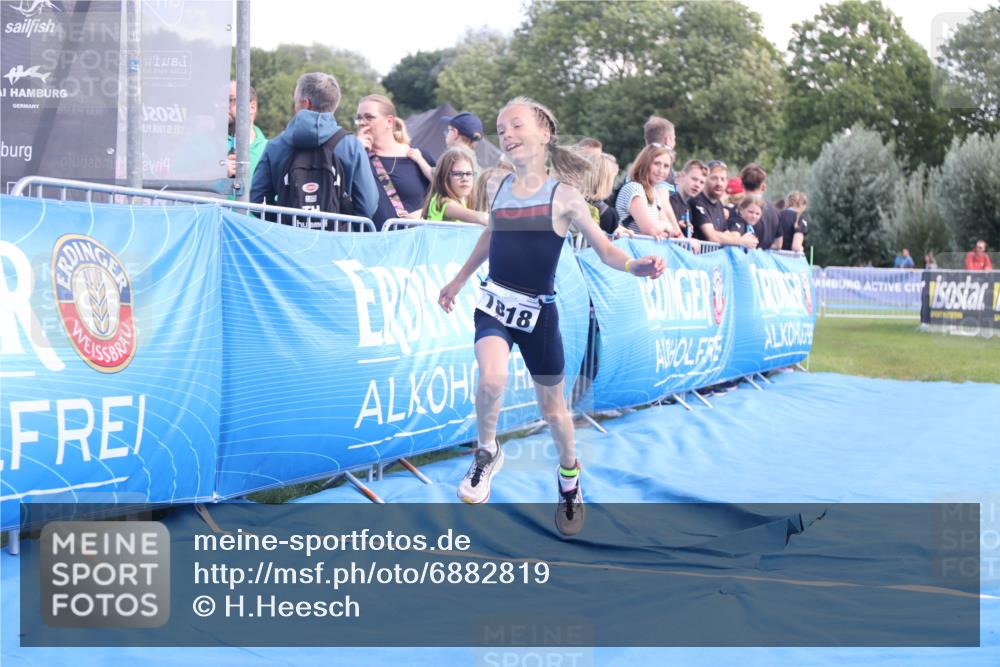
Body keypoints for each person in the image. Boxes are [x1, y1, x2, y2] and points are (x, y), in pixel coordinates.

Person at [438, 96, 665, 535]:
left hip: (539, 314)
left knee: (555, 413)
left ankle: (569, 479)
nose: (506, 134)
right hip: (495, 304)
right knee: (491, 379)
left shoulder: (567, 198)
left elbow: (605, 248)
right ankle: (487, 451)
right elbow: (491, 233)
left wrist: (637, 266)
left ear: (544, 133)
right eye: (501, 128)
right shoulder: (498, 185)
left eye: (516, 125)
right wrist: (460, 279)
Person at [251, 72, 378, 220]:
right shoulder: (351, 146)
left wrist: (283, 225)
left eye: (295, 101)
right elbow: (367, 206)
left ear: (306, 104)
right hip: (336, 240)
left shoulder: (276, 146)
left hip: (288, 240)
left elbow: (257, 199)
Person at [356, 94, 435, 228]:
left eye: (369, 117)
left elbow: (447, 196)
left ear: (389, 122)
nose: (362, 122)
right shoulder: (355, 156)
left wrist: (424, 213)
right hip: (370, 243)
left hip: (414, 243)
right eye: (359, 118)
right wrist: (355, 151)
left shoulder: (418, 156)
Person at [615, 144, 681, 240]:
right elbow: (651, 229)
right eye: (656, 163)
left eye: (666, 166)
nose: (661, 170)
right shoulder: (635, 188)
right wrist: (664, 226)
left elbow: (670, 231)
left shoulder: (654, 193)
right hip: (628, 252)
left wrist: (664, 229)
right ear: (645, 163)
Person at [689, 160, 758, 248]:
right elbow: (712, 236)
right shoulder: (697, 201)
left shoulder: (718, 205)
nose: (719, 183)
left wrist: (745, 239)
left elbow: (727, 234)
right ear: (705, 179)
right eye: (714, 178)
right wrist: (741, 241)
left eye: (722, 179)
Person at [420, 148, 487, 224]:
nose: (465, 179)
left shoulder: (460, 201)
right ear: (444, 177)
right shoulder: (445, 203)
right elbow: (480, 218)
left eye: (468, 174)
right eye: (457, 174)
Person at [227, 81, 267, 190]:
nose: (225, 106)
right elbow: (179, 180)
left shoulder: (270, 150)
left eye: (231, 100)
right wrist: (217, 172)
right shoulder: (203, 142)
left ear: (252, 107)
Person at [739, 164, 782, 250]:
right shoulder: (775, 212)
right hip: (765, 261)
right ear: (763, 186)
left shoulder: (738, 208)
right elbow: (778, 244)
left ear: (742, 185)